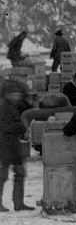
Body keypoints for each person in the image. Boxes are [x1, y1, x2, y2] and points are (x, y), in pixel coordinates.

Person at [0, 79, 34, 211]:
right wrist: (21, 128)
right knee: (2, 176)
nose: (17, 96)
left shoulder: (13, 105)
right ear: (7, 94)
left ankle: (19, 203)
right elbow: (6, 126)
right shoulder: (3, 107)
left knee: (20, 172)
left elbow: (27, 108)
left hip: (13, 144)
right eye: (15, 94)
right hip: (4, 145)